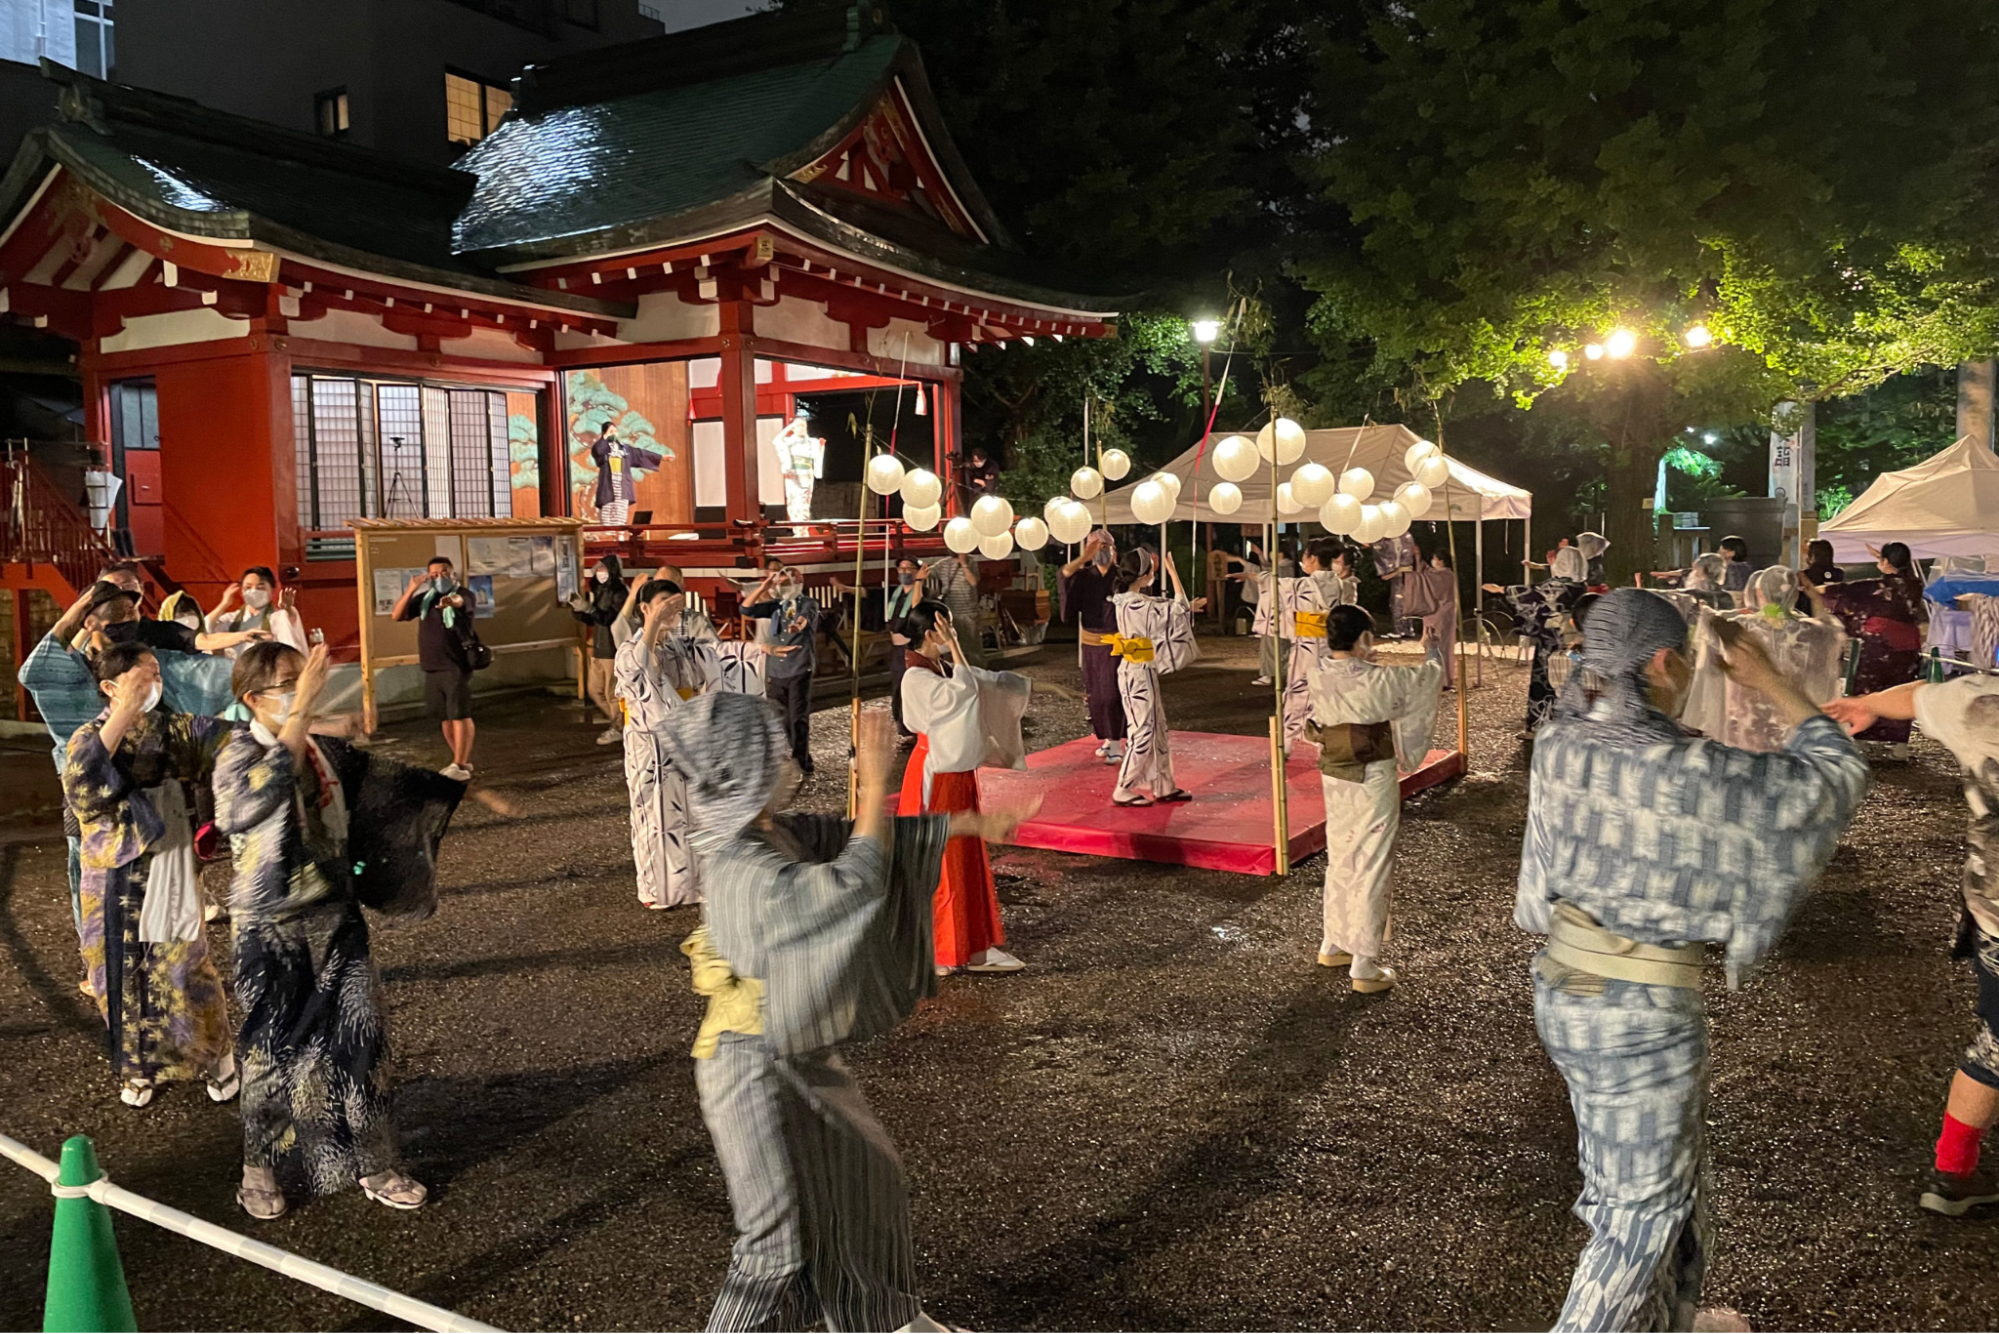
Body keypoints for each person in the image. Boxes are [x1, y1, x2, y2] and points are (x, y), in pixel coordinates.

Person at [1517, 588, 1867, 1332]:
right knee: (1637, 1213)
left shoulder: (1559, 741)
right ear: (1665, 662)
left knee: (1652, 1186)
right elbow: (1830, 778)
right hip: (1639, 1011)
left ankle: (1667, 1319)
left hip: (1564, 990)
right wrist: (1770, 681)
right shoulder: (1685, 768)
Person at [664, 697, 1031, 1332]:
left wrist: (974, 825)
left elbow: (864, 841)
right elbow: (848, 884)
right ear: (747, 767)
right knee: (775, 1242)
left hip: (795, 1049)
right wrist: (879, 779)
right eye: (773, 750)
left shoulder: (770, 830)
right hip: (749, 1067)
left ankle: (883, 1320)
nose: (787, 759)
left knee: (864, 1183)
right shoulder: (738, 864)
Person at [214, 641, 461, 1219]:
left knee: (360, 1038)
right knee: (270, 1050)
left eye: (306, 679)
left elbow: (380, 799)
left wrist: (439, 789)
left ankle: (376, 1163)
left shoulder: (324, 749)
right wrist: (301, 713)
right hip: (270, 927)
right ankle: (259, 1166)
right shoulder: (237, 755)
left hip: (335, 915)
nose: (306, 689)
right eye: (289, 683)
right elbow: (245, 808)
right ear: (254, 698)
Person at [1828, 674, 1999, 1216]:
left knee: (1996, 1042)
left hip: (1993, 908)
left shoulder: (1983, 702)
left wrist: (1865, 705)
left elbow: (1925, 693)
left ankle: (1953, 1171)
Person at [63, 641, 238, 1108]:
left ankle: (216, 1056)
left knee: (183, 965)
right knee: (114, 974)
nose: (155, 684)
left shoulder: (174, 729)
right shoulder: (87, 738)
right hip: (111, 876)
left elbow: (234, 740)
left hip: (169, 860)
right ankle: (137, 1066)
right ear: (108, 687)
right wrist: (125, 710)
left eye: (158, 675)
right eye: (144, 677)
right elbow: (84, 787)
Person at [23, 583, 235, 957]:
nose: (128, 624)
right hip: (98, 807)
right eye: (118, 617)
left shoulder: (146, 666)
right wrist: (82, 606)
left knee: (169, 932)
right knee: (101, 897)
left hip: (155, 806)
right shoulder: (72, 676)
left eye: (133, 617)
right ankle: (107, 964)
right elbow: (36, 671)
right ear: (91, 621)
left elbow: (204, 686)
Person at [898, 603, 1075, 974]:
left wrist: (1044, 687)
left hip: (956, 774)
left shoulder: (937, 668)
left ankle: (975, 946)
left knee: (968, 858)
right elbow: (963, 691)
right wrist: (957, 648)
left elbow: (986, 681)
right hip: (935, 776)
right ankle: (939, 948)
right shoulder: (915, 678)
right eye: (948, 629)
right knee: (942, 862)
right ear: (932, 634)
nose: (954, 636)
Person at [1306, 605, 1443, 993]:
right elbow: (1425, 681)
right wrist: (1429, 651)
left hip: (1336, 772)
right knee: (1373, 859)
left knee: (1343, 854)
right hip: (1372, 774)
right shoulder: (1379, 681)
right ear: (1364, 638)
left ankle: (1333, 942)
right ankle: (1363, 964)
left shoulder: (1316, 672)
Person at [1682, 567, 1847, 752]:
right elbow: (1831, 628)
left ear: (1759, 592)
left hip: (1748, 728)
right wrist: (1815, 598)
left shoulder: (1741, 627)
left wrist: (1707, 608)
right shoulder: (1813, 632)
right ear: (1794, 594)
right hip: (1795, 726)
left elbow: (1708, 622)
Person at [617, 579, 705, 910]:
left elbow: (712, 667)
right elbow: (640, 675)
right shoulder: (629, 650)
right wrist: (653, 623)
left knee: (687, 814)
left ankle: (689, 885)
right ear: (644, 608)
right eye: (663, 602)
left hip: (684, 741)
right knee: (653, 817)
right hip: (649, 747)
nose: (671, 610)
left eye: (675, 604)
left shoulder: (680, 646)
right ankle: (655, 887)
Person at [1809, 540, 1926, 757]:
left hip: (1879, 646)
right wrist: (1882, 558)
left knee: (1868, 690)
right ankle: (1899, 746)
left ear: (1886, 562)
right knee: (1899, 689)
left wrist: (1808, 588)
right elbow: (1896, 577)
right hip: (1907, 647)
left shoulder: (1874, 588)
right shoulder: (1915, 585)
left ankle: (1860, 739)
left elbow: (1840, 593)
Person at [1110, 548, 1205, 806]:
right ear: (1143, 576)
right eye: (1152, 571)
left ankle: (1163, 785)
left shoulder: (1128, 600)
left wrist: (1186, 605)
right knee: (1143, 731)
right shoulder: (1136, 603)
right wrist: (1174, 573)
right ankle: (1123, 787)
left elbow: (1169, 607)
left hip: (1139, 670)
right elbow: (1178, 608)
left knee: (1157, 729)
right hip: (1137, 672)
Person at [1484, 545, 1588, 737]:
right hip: (1575, 644)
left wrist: (1501, 590)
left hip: (1552, 643)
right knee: (1572, 682)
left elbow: (1531, 593)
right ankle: (1573, 725)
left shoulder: (1557, 586)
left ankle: (1542, 725)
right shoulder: (1580, 586)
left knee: (1547, 682)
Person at [392, 555, 479, 780]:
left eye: (443, 573)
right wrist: (411, 588)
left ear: (453, 573)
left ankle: (459, 763)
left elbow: (462, 603)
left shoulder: (464, 594)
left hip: (455, 664)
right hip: (431, 665)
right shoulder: (426, 599)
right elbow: (397, 615)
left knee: (459, 714)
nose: (439, 578)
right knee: (445, 718)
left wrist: (451, 603)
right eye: (434, 575)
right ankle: (461, 761)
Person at [742, 565, 821, 776]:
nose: (782, 586)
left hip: (799, 666)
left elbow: (806, 616)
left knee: (798, 717)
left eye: (786, 581)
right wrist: (763, 587)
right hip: (776, 669)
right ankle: (794, 754)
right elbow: (746, 609)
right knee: (781, 718)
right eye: (780, 582)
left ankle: (801, 762)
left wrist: (798, 626)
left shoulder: (807, 602)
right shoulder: (776, 606)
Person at [1059, 531, 1128, 765]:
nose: (1100, 551)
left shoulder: (1121, 577)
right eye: (1095, 547)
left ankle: (1118, 741)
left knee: (1111, 693)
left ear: (1113, 549)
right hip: (1090, 643)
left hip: (1115, 643)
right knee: (1095, 695)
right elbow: (1065, 574)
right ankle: (1108, 738)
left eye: (1105, 546)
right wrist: (1084, 557)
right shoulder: (1083, 575)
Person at [571, 554, 629, 744]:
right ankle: (619, 724)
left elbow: (611, 619)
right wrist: (580, 611)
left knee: (612, 693)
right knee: (595, 690)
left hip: (612, 648)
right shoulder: (601, 590)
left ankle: (619, 727)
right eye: (598, 569)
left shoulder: (619, 592)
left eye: (603, 568)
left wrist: (590, 609)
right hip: (599, 646)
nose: (599, 572)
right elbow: (596, 619)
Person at [206, 566, 308, 658]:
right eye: (248, 587)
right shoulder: (231, 619)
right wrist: (224, 604)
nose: (253, 591)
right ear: (241, 590)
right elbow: (206, 629)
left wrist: (288, 609)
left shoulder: (278, 617)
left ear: (272, 589)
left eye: (260, 588)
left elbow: (291, 623)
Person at [590, 421, 663, 528]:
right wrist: (605, 437)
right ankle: (608, 538)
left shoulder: (624, 448)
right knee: (607, 514)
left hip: (622, 484)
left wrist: (660, 457)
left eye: (615, 431)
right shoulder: (602, 447)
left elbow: (640, 454)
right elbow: (597, 451)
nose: (613, 433)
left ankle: (619, 537)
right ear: (604, 432)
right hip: (608, 485)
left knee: (620, 516)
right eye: (611, 431)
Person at [883, 557, 924, 741]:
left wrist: (919, 582)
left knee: (908, 686)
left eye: (909, 568)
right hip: (896, 648)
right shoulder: (895, 594)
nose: (904, 571)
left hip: (910, 646)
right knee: (897, 686)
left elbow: (917, 607)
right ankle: (901, 723)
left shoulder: (922, 592)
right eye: (901, 568)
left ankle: (911, 725)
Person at [1405, 547, 1459, 684]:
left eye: (1435, 559)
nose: (1433, 561)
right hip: (1436, 614)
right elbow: (1425, 571)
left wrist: (1409, 575)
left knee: (1439, 646)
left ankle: (1440, 679)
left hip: (1441, 615)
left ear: (1441, 561)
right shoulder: (1439, 574)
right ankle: (1438, 677)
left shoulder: (1446, 575)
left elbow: (1425, 579)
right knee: (1434, 645)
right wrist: (1417, 555)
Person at [926, 551, 987, 668]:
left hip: (969, 613)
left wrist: (964, 564)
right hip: (951, 613)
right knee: (951, 647)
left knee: (973, 649)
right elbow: (928, 572)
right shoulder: (943, 564)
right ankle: (955, 674)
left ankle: (978, 675)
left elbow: (973, 581)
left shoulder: (971, 561)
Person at [1370, 531, 1419, 637]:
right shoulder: (1406, 537)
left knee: (1399, 603)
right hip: (1402, 573)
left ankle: (1402, 629)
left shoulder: (1405, 537)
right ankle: (1405, 628)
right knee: (1401, 602)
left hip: (1403, 572)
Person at [1799, 538, 1846, 618]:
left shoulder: (1804, 575)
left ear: (1812, 555)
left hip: (1810, 614)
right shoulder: (1838, 573)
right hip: (1834, 615)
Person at [1717, 535, 1754, 604]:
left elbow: (1734, 589)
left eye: (1722, 550)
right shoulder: (1748, 567)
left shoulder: (1732, 568)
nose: (1718, 552)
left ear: (1732, 553)